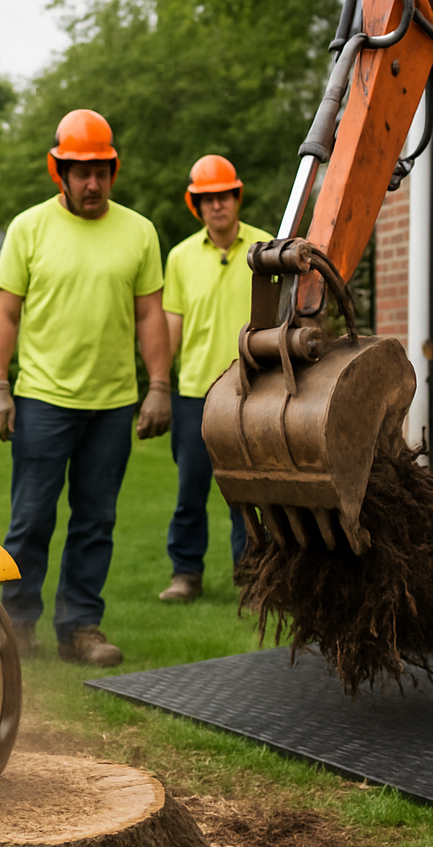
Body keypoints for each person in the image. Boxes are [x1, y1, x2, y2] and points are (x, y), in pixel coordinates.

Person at [0, 108, 172, 666]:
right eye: (81, 171)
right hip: (42, 399)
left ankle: (80, 628)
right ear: (58, 171)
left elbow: (150, 315)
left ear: (114, 170)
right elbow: (5, 312)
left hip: (112, 405)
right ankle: (15, 625)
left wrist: (159, 385)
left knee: (96, 520)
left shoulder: (139, 232)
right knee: (32, 517)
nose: (93, 183)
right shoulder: (29, 228)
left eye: (102, 171)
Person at [159, 155, 272, 602]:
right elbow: (172, 324)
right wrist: (158, 387)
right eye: (207, 199)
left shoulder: (265, 247)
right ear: (196, 205)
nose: (217, 205)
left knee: (248, 492)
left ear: (236, 197)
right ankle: (185, 574)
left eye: (223, 195)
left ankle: (253, 574)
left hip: (252, 389)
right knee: (190, 491)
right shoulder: (181, 257)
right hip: (194, 395)